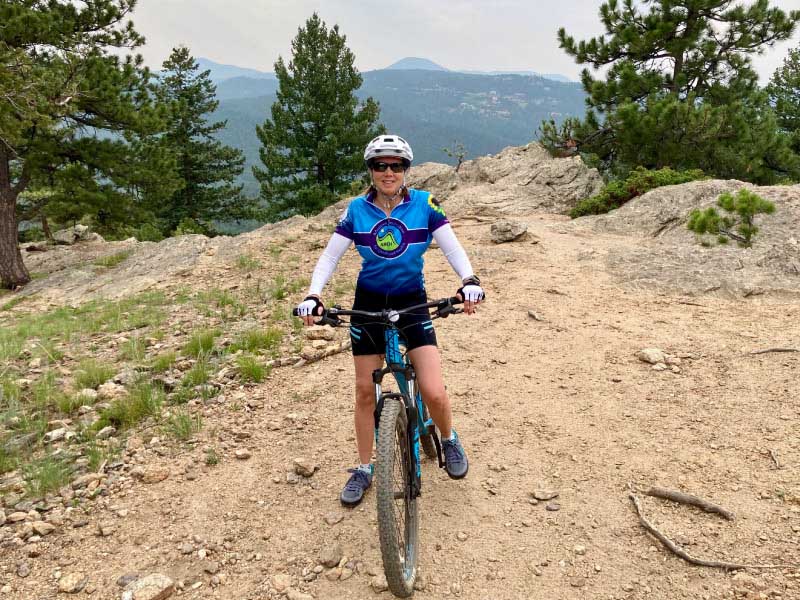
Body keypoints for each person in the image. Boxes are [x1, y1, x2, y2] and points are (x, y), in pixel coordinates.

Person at [295, 134, 484, 507]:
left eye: (396, 165)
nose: (388, 172)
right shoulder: (356, 210)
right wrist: (313, 294)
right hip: (367, 304)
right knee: (366, 392)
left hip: (412, 301)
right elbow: (330, 258)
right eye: (379, 165)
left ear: (406, 170)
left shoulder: (425, 204)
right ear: (370, 170)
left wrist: (470, 281)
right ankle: (365, 469)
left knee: (433, 391)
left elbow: (451, 247)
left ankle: (448, 439)